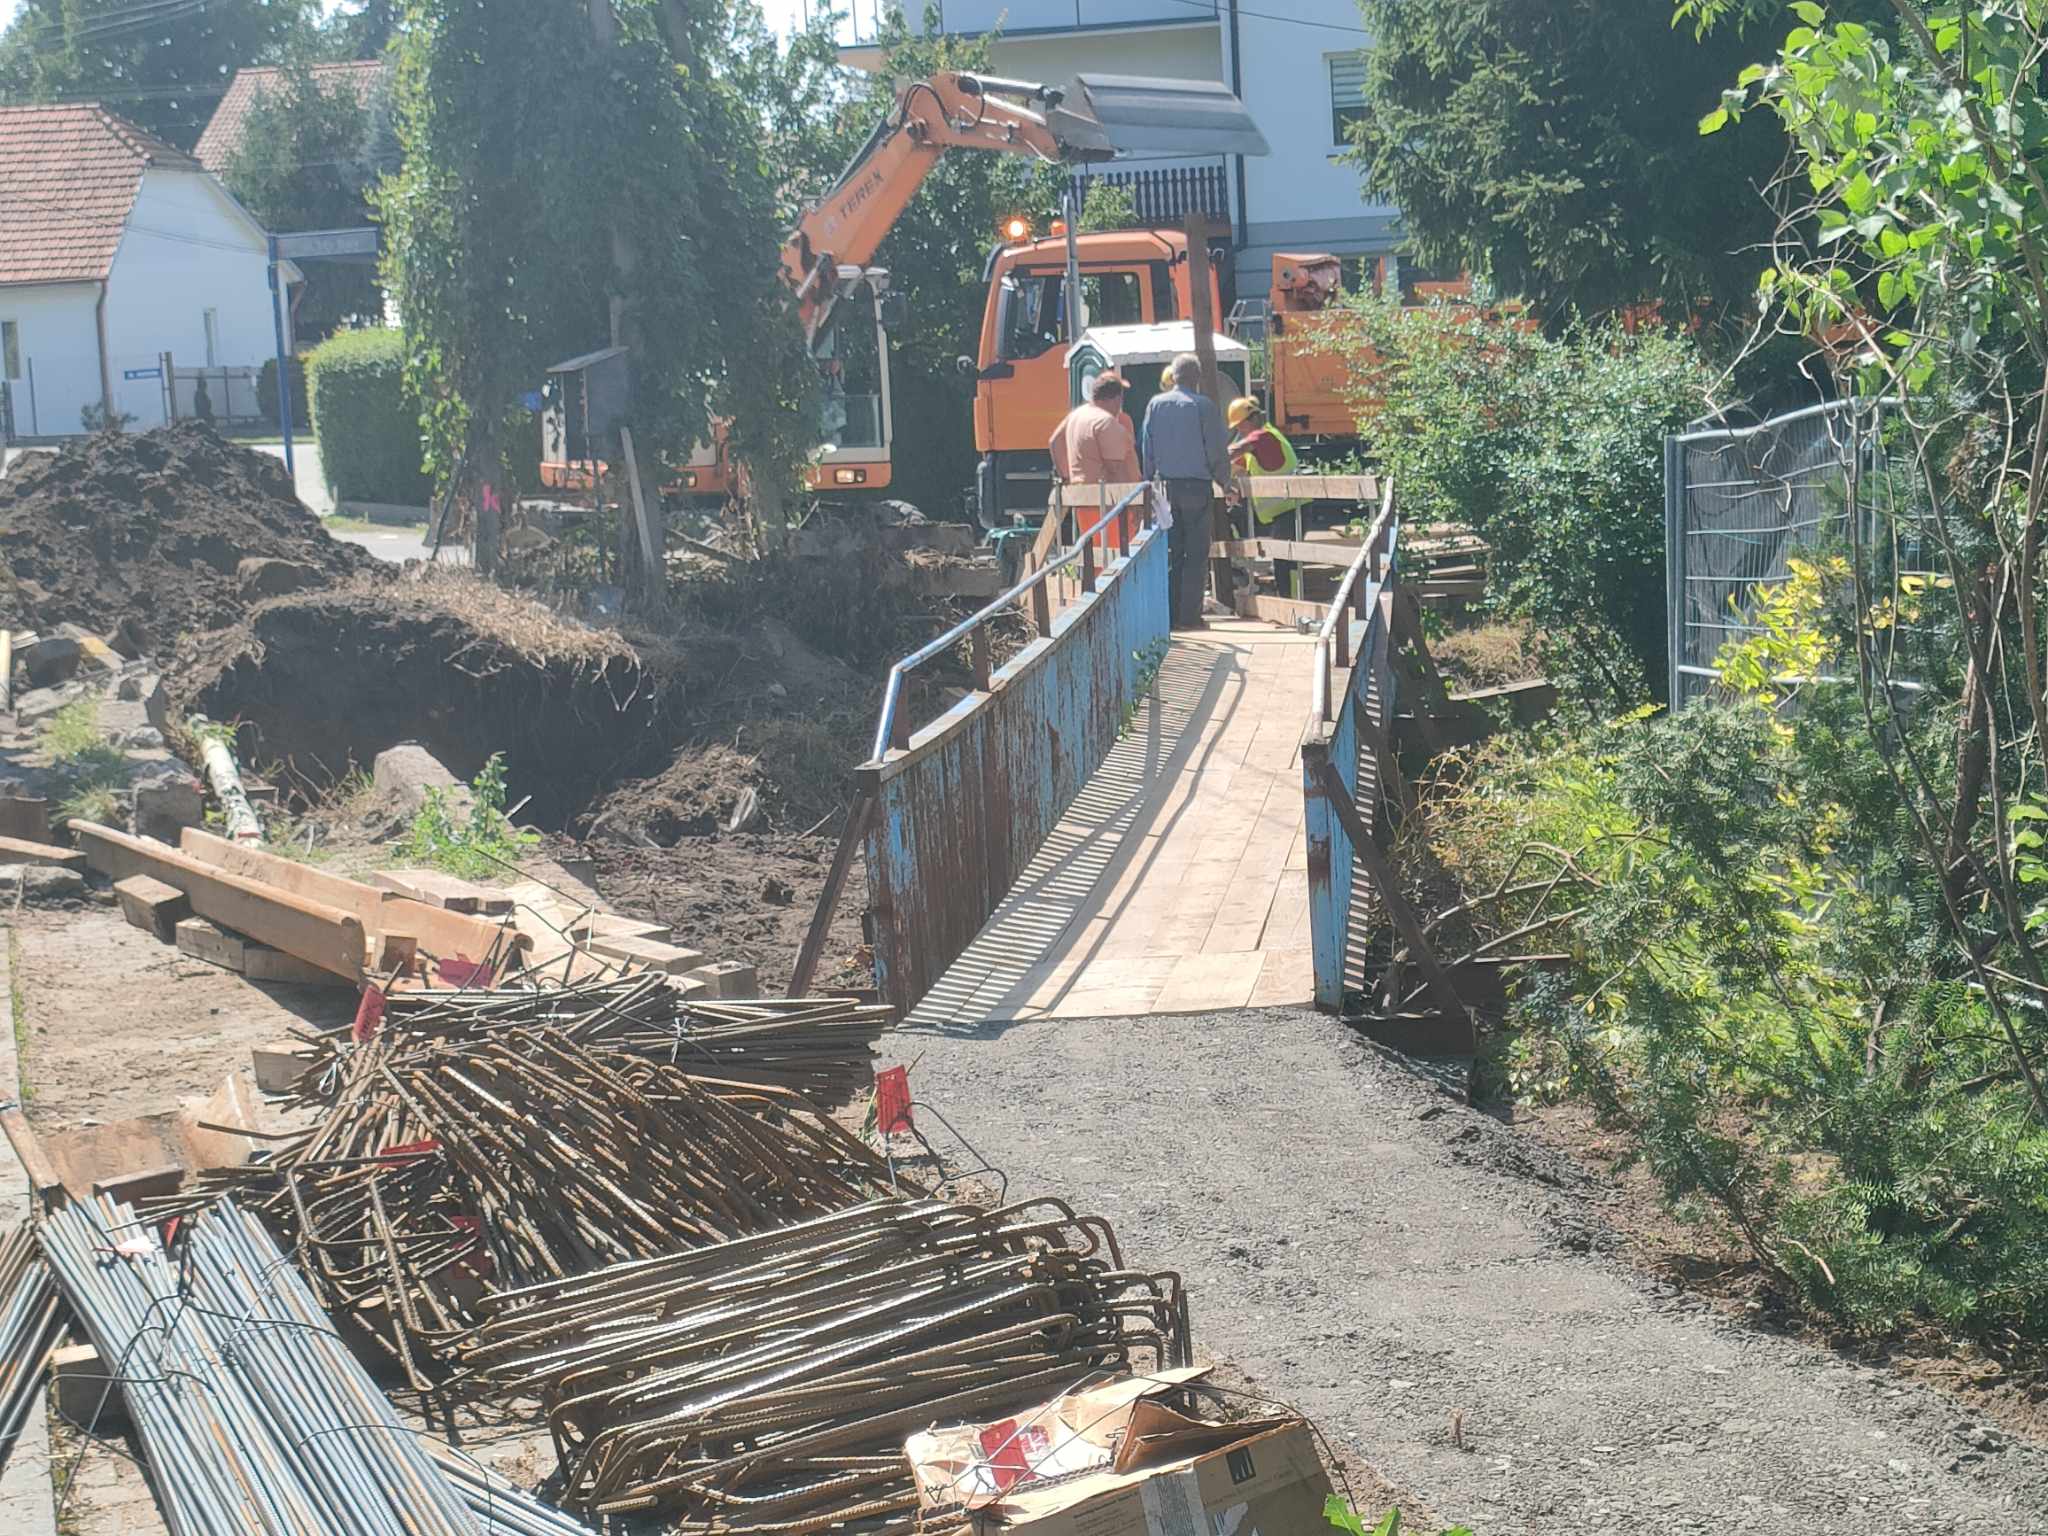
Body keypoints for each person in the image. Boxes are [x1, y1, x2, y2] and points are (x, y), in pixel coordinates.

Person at [1141, 354, 1232, 629]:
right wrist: (1225, 482)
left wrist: (1147, 481)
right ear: (1197, 377)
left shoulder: (1155, 404)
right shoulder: (1203, 406)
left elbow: (1147, 446)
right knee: (1195, 554)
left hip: (1165, 488)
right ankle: (1189, 617)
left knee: (1171, 552)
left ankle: (1168, 616)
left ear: (1174, 376)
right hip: (1196, 489)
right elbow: (1215, 449)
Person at [1227, 396, 1308, 595]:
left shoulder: (1263, 437)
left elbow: (1232, 452)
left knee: (1285, 560)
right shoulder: (1259, 443)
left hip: (1292, 509)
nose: (1239, 431)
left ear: (1251, 420)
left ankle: (1292, 604)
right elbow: (1236, 465)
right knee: (1281, 558)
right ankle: (1284, 598)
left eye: (1240, 426)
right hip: (1282, 510)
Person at [1049, 371, 1142, 490]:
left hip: (1081, 496)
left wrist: (1067, 478)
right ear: (1117, 399)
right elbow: (1115, 468)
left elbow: (1055, 441)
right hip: (1108, 501)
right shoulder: (1106, 422)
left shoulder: (1075, 416)